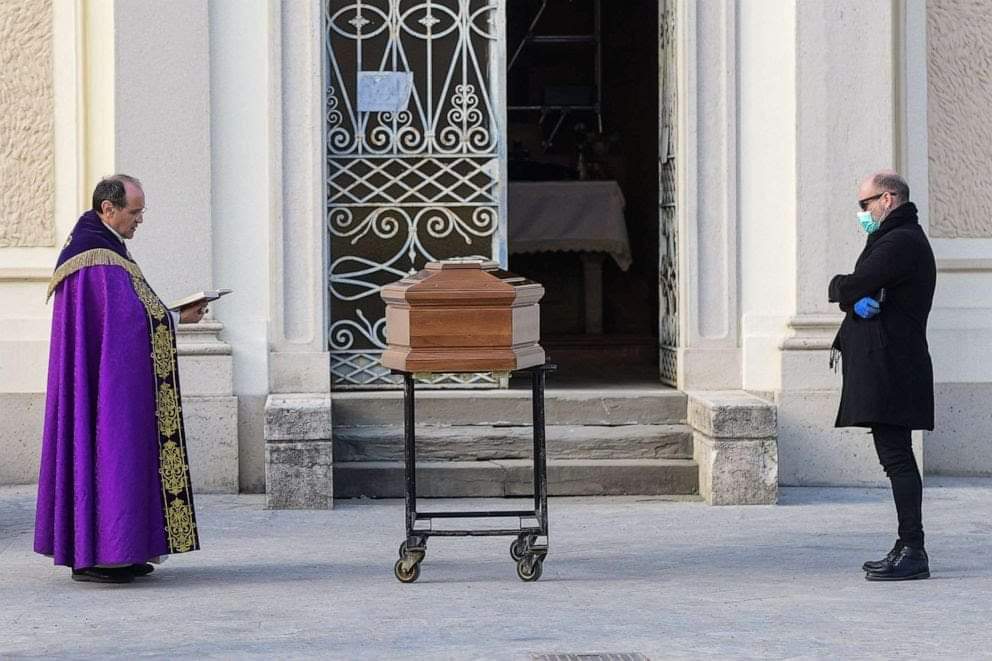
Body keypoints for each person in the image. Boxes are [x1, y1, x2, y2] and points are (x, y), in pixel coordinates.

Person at [34, 175, 207, 583]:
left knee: (118, 456)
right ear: (108, 209)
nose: (140, 219)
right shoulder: (96, 257)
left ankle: (122, 551)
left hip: (108, 379)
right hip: (106, 387)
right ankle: (97, 557)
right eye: (135, 211)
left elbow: (127, 312)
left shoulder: (105, 248)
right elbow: (127, 321)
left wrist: (169, 316)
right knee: (110, 453)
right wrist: (176, 317)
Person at [828, 170, 936, 581]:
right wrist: (853, 298)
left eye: (866, 204)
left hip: (893, 366)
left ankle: (913, 549)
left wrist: (842, 289)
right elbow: (862, 290)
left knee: (897, 458)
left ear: (888, 199)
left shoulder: (899, 241)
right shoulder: (893, 238)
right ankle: (906, 544)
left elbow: (854, 284)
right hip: (892, 363)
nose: (863, 212)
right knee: (896, 457)